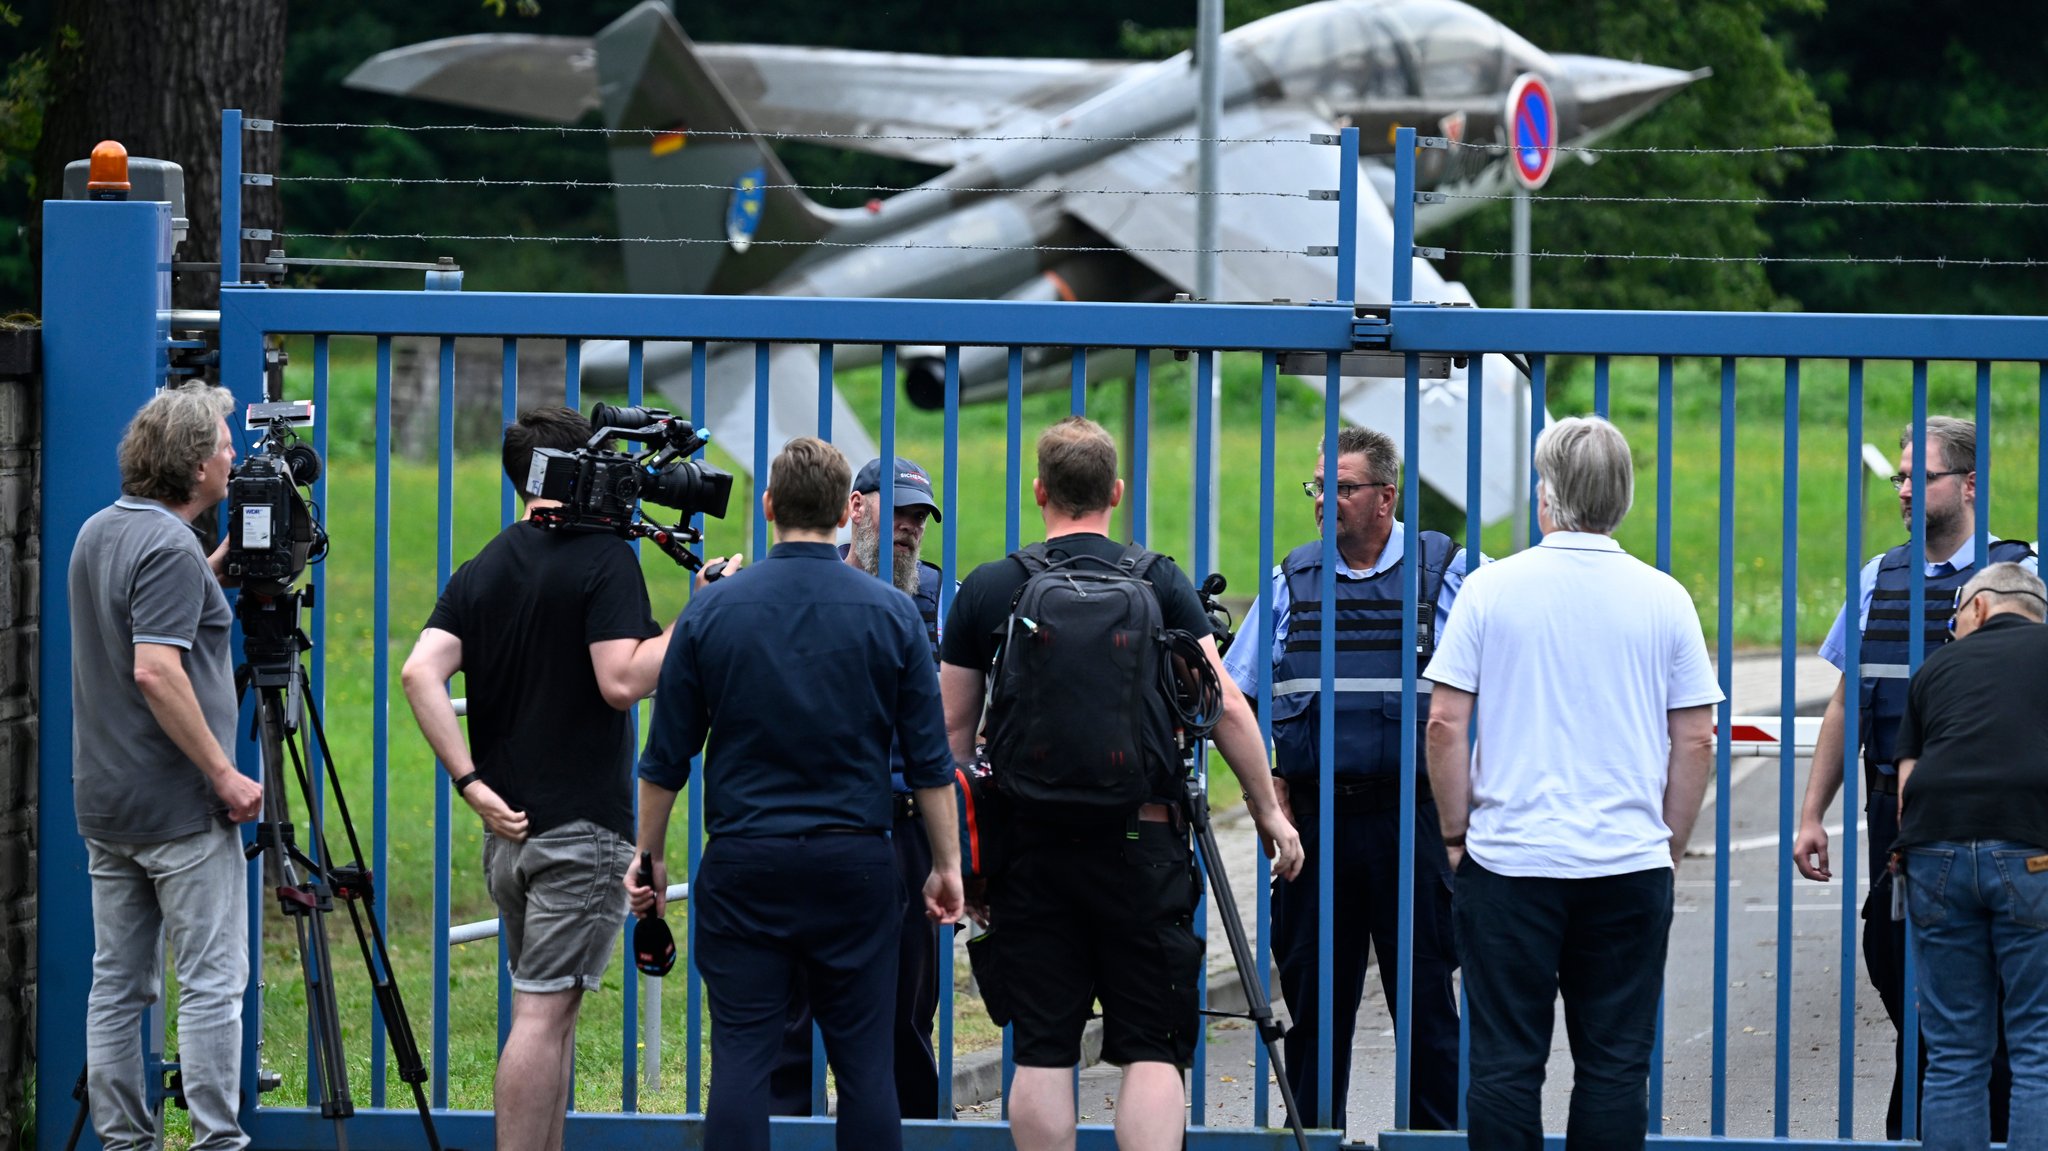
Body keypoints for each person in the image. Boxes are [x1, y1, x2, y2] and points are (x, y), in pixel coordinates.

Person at [938, 416, 1303, 1151]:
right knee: (1153, 1045)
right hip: (1144, 841)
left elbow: (948, 734)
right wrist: (1269, 812)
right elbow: (1226, 702)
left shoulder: (991, 588)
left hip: (1031, 847)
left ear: (1040, 491)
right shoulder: (1159, 580)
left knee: (1042, 1047)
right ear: (1117, 490)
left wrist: (960, 859)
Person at [627, 436, 964, 1151]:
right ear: (848, 511)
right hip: (857, 862)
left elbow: (665, 756)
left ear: (770, 504)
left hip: (747, 860)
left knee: (743, 1059)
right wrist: (946, 864)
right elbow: (932, 761)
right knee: (868, 1067)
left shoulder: (714, 611)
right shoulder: (895, 613)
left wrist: (648, 857)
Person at [401, 407, 712, 1151]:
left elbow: (420, 671)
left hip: (509, 837)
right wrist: (697, 610)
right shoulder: (604, 562)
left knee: (549, 1009)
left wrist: (470, 781)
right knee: (543, 1015)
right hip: (581, 834)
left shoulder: (487, 562)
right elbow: (621, 678)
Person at [1424, 416, 1720, 1151]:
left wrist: (1458, 836)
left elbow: (1445, 725)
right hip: (1626, 861)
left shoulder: (1490, 590)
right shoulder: (1665, 597)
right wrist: (1668, 843)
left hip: (1511, 860)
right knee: (1616, 1067)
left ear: (1547, 496)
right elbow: (1696, 736)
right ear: (1621, 496)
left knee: (1503, 1066)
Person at [1222, 425, 1472, 1131]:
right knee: (1314, 1007)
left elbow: (1492, 683)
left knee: (1428, 1006)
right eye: (1318, 486)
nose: (1324, 500)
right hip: (1317, 826)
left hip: (1412, 821)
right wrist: (1263, 784)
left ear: (1387, 498)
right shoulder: (1291, 579)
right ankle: (1315, 1137)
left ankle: (1436, 1144)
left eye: (1343, 487)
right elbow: (1232, 693)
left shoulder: (1444, 572)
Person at [1792, 416, 2036, 1139]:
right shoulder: (1879, 577)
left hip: (2011, 819)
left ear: (1967, 483)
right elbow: (1847, 701)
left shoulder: (2024, 577)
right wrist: (1812, 812)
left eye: (1917, 475)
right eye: (1899, 475)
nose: (1902, 488)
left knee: (2004, 1021)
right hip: (1900, 821)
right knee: (1915, 995)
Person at [72, 383, 265, 1151]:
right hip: (179, 809)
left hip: (107, 802)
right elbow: (156, 669)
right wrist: (224, 772)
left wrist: (209, 574)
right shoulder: (168, 549)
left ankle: (125, 1142)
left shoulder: (100, 531)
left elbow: (136, 625)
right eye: (222, 441)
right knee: (213, 980)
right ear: (193, 465)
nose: (233, 454)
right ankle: (218, 1140)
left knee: (117, 986)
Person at [770, 454, 952, 1119]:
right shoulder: (805, 590)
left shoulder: (939, 598)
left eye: (918, 518)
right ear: (854, 508)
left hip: (905, 826)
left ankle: (911, 1131)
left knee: (903, 1015)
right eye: (895, 510)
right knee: (790, 1020)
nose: (907, 528)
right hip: (810, 823)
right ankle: (790, 1130)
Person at [1894, 562, 2048, 1151]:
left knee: (1956, 1051)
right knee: (2037, 1046)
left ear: (1980, 608)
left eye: (1954, 615)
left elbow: (1908, 787)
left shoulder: (1936, 668)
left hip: (1935, 852)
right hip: (2030, 847)